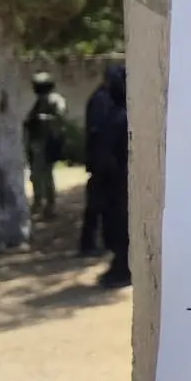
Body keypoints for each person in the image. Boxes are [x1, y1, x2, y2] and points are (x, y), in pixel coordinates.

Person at [89, 64, 130, 289]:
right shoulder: (115, 114)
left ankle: (123, 268)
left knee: (121, 226)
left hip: (119, 183)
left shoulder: (122, 117)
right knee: (114, 226)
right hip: (114, 183)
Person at [79, 62, 123, 257]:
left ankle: (106, 241)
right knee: (96, 204)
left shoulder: (105, 98)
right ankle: (88, 244)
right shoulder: (101, 99)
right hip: (102, 161)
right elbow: (99, 132)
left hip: (105, 161)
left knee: (106, 204)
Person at [22, 72, 67, 219]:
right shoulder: (39, 102)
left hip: (48, 142)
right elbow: (30, 119)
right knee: (35, 175)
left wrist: (43, 119)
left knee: (46, 175)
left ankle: (50, 205)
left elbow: (60, 118)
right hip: (37, 142)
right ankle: (38, 203)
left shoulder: (55, 100)